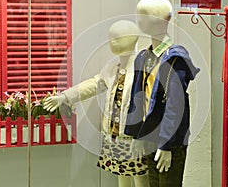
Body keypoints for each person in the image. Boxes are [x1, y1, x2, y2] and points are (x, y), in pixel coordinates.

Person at [43, 20, 149, 187]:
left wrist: (143, 135)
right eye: (111, 37)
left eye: (116, 37)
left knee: (142, 178)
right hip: (114, 136)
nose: (111, 41)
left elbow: (150, 104)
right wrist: (65, 97)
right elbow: (93, 84)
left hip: (135, 136)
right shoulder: (112, 68)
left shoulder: (144, 68)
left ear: (131, 38)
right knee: (122, 177)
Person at [124, 0, 200, 187]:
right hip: (148, 135)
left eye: (145, 14)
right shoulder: (143, 57)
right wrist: (136, 134)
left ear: (163, 19)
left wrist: (167, 145)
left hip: (170, 139)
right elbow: (137, 98)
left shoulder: (175, 58)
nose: (139, 19)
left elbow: (175, 106)